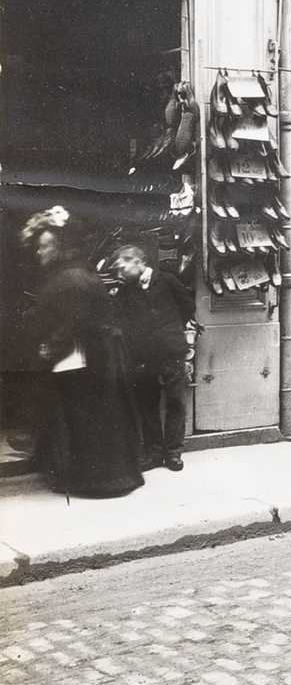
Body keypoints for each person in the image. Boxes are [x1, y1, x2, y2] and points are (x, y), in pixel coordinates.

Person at [20, 207, 144, 499]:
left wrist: (49, 348)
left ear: (60, 246)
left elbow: (73, 323)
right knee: (94, 419)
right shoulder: (75, 274)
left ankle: (95, 480)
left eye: (45, 246)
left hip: (88, 359)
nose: (40, 252)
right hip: (96, 358)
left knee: (87, 419)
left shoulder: (70, 278)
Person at [110, 244, 193, 472]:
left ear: (137, 261)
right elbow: (122, 321)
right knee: (148, 404)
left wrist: (171, 331)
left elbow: (188, 306)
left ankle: (174, 453)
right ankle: (154, 452)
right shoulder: (126, 291)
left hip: (171, 351)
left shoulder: (167, 280)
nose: (119, 273)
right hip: (144, 356)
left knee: (176, 402)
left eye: (121, 266)